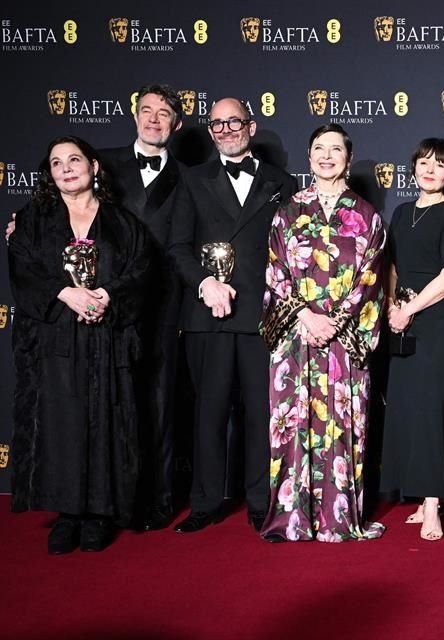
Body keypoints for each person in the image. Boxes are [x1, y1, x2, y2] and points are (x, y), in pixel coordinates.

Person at [7, 136, 151, 554]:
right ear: (50, 175)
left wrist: (107, 296)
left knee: (104, 417)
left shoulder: (123, 224)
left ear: (93, 166)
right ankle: (67, 513)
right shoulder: (32, 220)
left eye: (74, 160)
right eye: (56, 163)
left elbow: (140, 274)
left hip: (106, 337)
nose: (67, 168)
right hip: (54, 339)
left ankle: (98, 513)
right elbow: (23, 270)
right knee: (60, 422)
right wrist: (64, 294)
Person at [168, 97, 297, 534]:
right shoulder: (192, 179)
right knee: (209, 412)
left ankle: (261, 502)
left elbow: (293, 253)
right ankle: (205, 502)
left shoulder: (282, 183)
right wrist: (206, 284)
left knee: (263, 415)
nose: (225, 130)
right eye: (216, 123)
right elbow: (179, 247)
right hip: (209, 316)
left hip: (263, 316)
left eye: (233, 122)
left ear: (251, 125)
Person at [259, 124, 386, 542]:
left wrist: (335, 321)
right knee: (293, 424)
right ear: (309, 157)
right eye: (319, 149)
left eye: (335, 149)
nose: (327, 156)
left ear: (348, 159)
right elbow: (276, 274)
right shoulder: (288, 211)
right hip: (296, 337)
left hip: (343, 341)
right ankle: (291, 520)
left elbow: (370, 280)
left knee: (342, 424)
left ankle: (337, 519)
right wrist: (305, 316)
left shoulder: (367, 216)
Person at [98, 83, 185, 531]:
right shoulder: (103, 163)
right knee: (112, 402)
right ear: (134, 116)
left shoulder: (188, 176)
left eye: (164, 113)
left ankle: (161, 498)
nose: (154, 119)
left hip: (167, 306)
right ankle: (111, 502)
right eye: (147, 111)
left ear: (176, 124)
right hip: (111, 305)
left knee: (161, 405)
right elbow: (59, 193)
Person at [380, 138, 444, 541]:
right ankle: (418, 496)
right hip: (402, 319)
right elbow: (392, 268)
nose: (430, 170)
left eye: (440, 165)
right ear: (413, 167)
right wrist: (392, 310)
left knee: (430, 409)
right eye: (424, 162)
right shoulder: (399, 213)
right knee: (406, 407)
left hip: (436, 321)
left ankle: (434, 503)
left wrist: (410, 310)